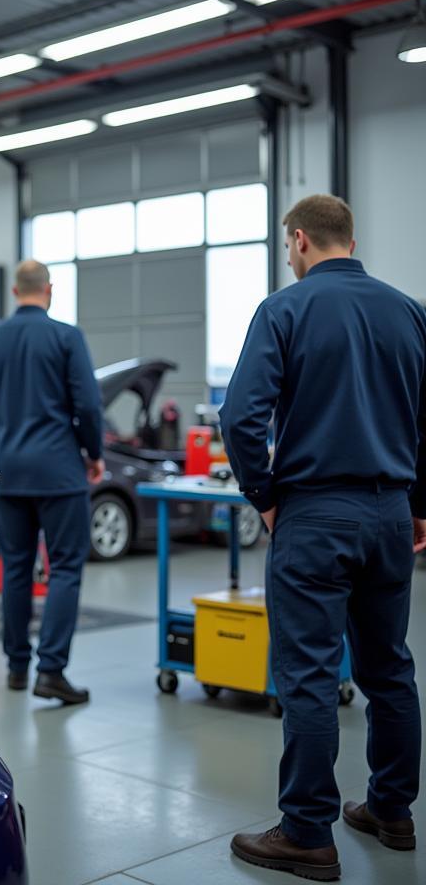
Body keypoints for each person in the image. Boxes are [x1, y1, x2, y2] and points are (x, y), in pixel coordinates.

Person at [221, 193, 424, 880]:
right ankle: (392, 810)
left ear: (300, 239)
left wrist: (265, 497)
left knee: (308, 675)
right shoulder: (408, 312)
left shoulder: (284, 309)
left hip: (314, 514)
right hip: (391, 513)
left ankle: (308, 831)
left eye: (287, 245)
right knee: (390, 666)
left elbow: (241, 416)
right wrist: (416, 502)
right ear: (352, 239)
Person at [0, 260, 105, 704]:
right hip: (61, 472)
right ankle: (51, 670)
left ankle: (16, 666)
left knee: (17, 568)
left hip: (8, 473)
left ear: (14, 291)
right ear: (50, 289)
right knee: (64, 567)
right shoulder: (67, 337)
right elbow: (88, 404)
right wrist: (95, 453)